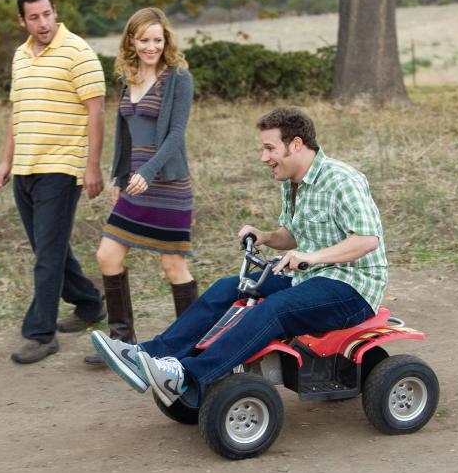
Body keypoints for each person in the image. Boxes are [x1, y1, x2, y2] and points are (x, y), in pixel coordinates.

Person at [91, 107, 389, 406]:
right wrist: (267, 237)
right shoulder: (292, 182)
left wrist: (311, 257)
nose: (264, 157)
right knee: (229, 287)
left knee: (274, 309)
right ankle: (148, 355)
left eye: (270, 148)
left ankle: (189, 375)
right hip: (308, 278)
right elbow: (295, 236)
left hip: (352, 287)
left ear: (296, 144)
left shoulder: (342, 179)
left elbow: (366, 240)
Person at [67, 8, 199, 366]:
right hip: (136, 184)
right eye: (144, 39)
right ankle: (122, 342)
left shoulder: (179, 79)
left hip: (168, 185)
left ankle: (191, 345)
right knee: (107, 255)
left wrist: (149, 172)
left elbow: (175, 135)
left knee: (173, 266)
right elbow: (124, 135)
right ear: (132, 41)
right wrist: (121, 177)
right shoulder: (128, 78)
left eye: (157, 39)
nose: (151, 46)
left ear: (166, 40)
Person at [0, 0, 106, 364]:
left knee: (47, 254)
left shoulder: (78, 53)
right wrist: (6, 161)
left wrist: (92, 166)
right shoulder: (20, 57)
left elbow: (96, 112)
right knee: (48, 248)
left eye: (47, 14)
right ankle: (90, 304)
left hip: (61, 167)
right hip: (25, 166)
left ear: (55, 11)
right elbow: (16, 113)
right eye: (34, 17)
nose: (43, 23)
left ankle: (40, 334)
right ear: (22, 20)